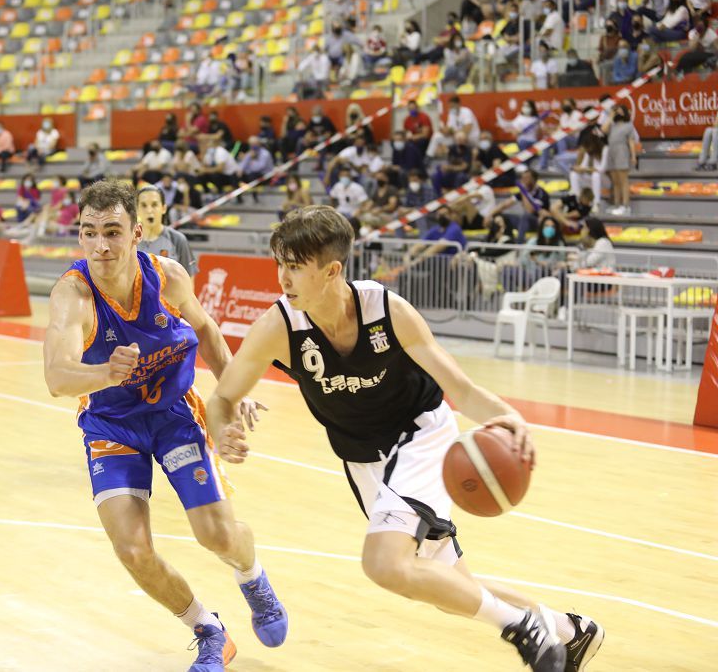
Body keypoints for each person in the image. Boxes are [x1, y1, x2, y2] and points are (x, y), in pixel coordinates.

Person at [205, 206, 602, 672]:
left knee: (383, 563)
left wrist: (509, 415)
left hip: (421, 438)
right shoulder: (279, 328)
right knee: (446, 588)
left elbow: (462, 390)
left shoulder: (387, 311)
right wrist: (222, 431)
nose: (282, 278)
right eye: (280, 264)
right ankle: (569, 632)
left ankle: (521, 627)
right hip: (363, 459)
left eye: (294, 266)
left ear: (331, 270)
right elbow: (223, 397)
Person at [42, 180, 288, 671]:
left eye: (112, 232)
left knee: (215, 535)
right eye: (89, 233)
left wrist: (233, 395)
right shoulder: (73, 295)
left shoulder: (168, 275)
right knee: (132, 549)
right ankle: (208, 628)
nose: (100, 245)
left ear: (138, 232)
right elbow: (55, 376)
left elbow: (208, 331)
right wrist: (103, 372)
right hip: (111, 425)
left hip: (175, 416)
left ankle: (252, 576)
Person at [136, 185, 198, 281]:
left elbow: (189, 282)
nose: (149, 210)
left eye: (154, 205)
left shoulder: (177, 239)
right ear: (137, 210)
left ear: (164, 208)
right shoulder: (128, 240)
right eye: (144, 205)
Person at [606, 105, 638, 216]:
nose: (617, 112)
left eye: (619, 110)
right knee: (615, 182)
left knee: (623, 180)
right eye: (616, 111)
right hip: (611, 152)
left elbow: (631, 142)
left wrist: (633, 156)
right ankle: (617, 204)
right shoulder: (612, 125)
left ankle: (626, 206)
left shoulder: (628, 126)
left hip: (621, 151)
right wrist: (610, 117)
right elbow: (603, 130)